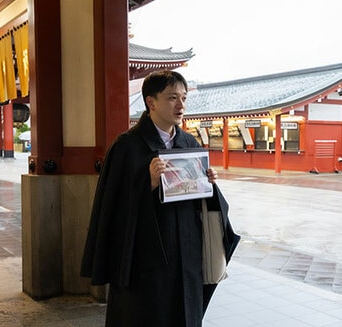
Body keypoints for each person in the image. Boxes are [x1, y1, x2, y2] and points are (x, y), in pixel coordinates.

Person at [81, 70, 240, 327]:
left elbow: (204, 204)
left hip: (187, 251)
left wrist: (209, 185)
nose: (180, 105)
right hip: (145, 256)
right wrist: (148, 183)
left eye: (184, 98)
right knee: (144, 315)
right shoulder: (127, 146)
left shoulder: (188, 143)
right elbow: (111, 205)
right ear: (151, 102)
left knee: (185, 314)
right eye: (172, 98)